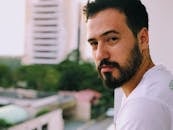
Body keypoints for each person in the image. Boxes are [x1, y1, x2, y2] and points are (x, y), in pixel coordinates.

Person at [83, 0, 173, 130]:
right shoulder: (161, 79)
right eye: (94, 43)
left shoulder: (144, 106)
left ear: (143, 39)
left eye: (112, 39)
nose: (100, 55)